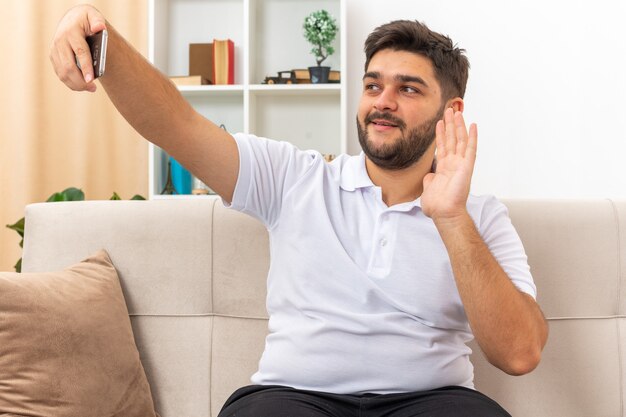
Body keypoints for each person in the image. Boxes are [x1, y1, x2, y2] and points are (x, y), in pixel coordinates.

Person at [50, 6, 548, 416]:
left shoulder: (478, 216)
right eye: (373, 85)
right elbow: (176, 125)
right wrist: (100, 41)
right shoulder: (294, 178)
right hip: (292, 398)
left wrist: (450, 217)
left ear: (451, 112)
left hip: (432, 402)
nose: (383, 101)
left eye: (408, 88)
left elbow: (520, 353)